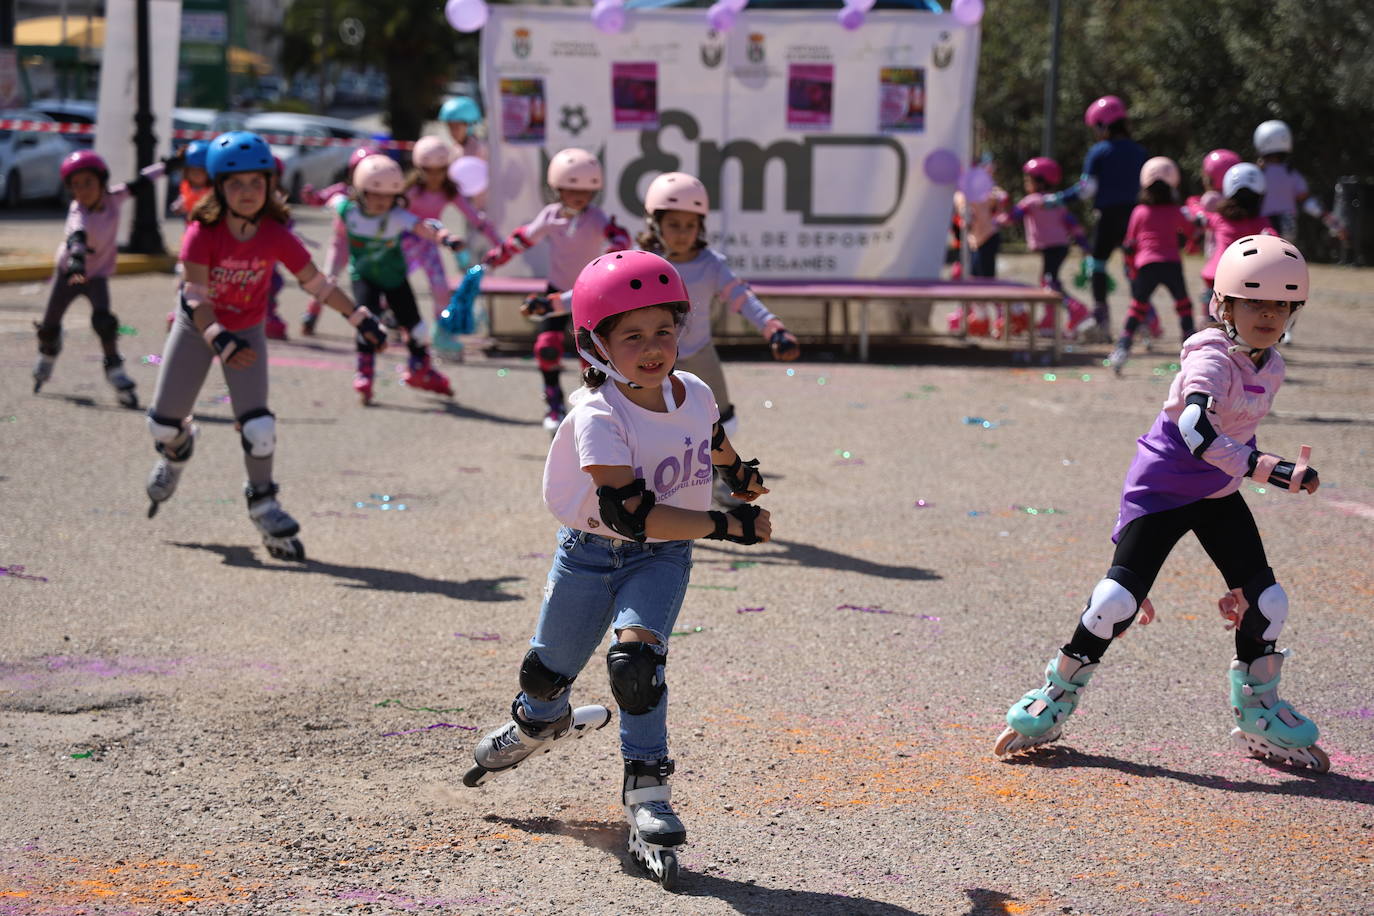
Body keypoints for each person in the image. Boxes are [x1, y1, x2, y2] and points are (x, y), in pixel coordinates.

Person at [463, 250, 774, 889]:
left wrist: (737, 474)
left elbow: (706, 434)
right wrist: (726, 525)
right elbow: (636, 516)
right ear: (596, 345)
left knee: (635, 664)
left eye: (665, 330)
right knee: (545, 675)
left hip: (661, 559)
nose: (654, 347)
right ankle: (537, 722)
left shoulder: (695, 390)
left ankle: (649, 794)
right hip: (592, 551)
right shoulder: (598, 418)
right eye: (632, 336)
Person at [994, 234, 1328, 773]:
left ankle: (1257, 708)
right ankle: (1058, 693)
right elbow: (1196, 430)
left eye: (1282, 304)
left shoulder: (1272, 366)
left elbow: (1234, 438)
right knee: (1113, 603)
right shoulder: (1210, 356)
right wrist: (1275, 470)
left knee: (1268, 605)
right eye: (1256, 302)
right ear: (1225, 306)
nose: (1269, 314)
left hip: (1217, 491)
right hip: (1164, 488)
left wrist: (1271, 466)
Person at [144, 131, 387, 560]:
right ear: (218, 187)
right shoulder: (203, 231)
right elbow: (195, 295)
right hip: (200, 330)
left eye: (257, 182)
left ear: (271, 185)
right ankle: (178, 448)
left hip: (248, 331)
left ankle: (264, 502)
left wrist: (358, 317)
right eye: (236, 184)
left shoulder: (275, 233)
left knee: (258, 427)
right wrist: (217, 336)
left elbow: (316, 282)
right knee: (161, 425)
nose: (247, 192)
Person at [484, 148, 632, 430]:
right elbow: (524, 237)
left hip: (589, 295)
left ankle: (595, 405)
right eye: (571, 190)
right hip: (556, 290)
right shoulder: (551, 215)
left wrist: (616, 249)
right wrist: (498, 256)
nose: (579, 197)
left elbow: (619, 236)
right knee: (546, 348)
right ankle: (553, 401)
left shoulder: (596, 217)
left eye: (587, 192)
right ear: (557, 189)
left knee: (590, 358)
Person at [33, 149, 178, 407]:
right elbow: (75, 236)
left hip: (97, 274)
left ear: (101, 181)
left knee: (104, 321)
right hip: (70, 274)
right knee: (49, 327)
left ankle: (116, 372)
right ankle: (47, 353)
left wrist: (167, 167)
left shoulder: (113, 198)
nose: (83, 190)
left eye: (88, 182)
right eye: (76, 185)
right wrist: (76, 259)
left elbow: (141, 182)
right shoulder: (78, 212)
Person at [335, 154, 466, 404]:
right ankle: (364, 370)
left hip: (394, 278)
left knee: (415, 326)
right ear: (361, 191)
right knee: (366, 320)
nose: (383, 202)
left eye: (389, 196)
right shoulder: (347, 211)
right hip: (364, 276)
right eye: (375, 194)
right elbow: (330, 198)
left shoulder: (397, 215)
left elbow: (424, 227)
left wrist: (446, 238)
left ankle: (420, 367)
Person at [401, 135, 502, 356]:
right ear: (419, 168)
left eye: (440, 170)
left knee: (441, 290)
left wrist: (499, 244)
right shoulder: (410, 191)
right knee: (391, 285)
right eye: (429, 170)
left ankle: (442, 335)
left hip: (429, 244)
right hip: (404, 242)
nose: (435, 176)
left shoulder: (449, 191)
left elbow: (475, 217)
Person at [1107, 157, 1197, 374]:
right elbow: (1191, 232)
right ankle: (1193, 353)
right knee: (1184, 306)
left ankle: (1122, 349)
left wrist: (1130, 267)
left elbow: (1130, 243)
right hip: (1171, 263)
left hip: (1146, 264)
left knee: (1137, 308)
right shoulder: (1175, 210)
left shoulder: (1139, 211)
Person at [1072, 95, 1150, 341]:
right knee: (1134, 268)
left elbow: (1086, 190)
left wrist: (1061, 198)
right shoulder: (1139, 152)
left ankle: (1101, 320)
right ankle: (1146, 320)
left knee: (1097, 265)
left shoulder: (1099, 152)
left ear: (1102, 125)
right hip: (1135, 217)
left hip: (1108, 216)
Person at [1001, 157, 1095, 339]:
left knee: (1050, 284)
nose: (1026, 183)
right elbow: (1072, 223)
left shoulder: (1031, 201)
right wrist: (1083, 243)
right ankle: (1049, 319)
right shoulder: (1057, 202)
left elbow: (1012, 217)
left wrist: (996, 218)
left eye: (1028, 180)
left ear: (1040, 181)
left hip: (1052, 247)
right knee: (1048, 282)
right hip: (1060, 247)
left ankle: (1078, 311)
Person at [299, 145, 378, 336]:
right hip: (341, 244)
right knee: (327, 279)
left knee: (376, 281)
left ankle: (382, 317)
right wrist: (311, 196)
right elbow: (321, 198)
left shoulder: (378, 199)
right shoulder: (343, 191)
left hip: (366, 248)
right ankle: (311, 314)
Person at [1190, 163, 1275, 310]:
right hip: (1244, 278)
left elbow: (1198, 212)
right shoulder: (1260, 222)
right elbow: (1272, 236)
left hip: (1216, 275)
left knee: (1211, 322)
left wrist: (1194, 202)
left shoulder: (1219, 219)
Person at [1252, 120, 1342, 242]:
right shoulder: (1291, 174)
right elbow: (1306, 201)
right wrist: (1330, 220)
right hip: (1287, 222)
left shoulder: (1257, 173)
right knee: (1285, 254)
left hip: (1264, 223)